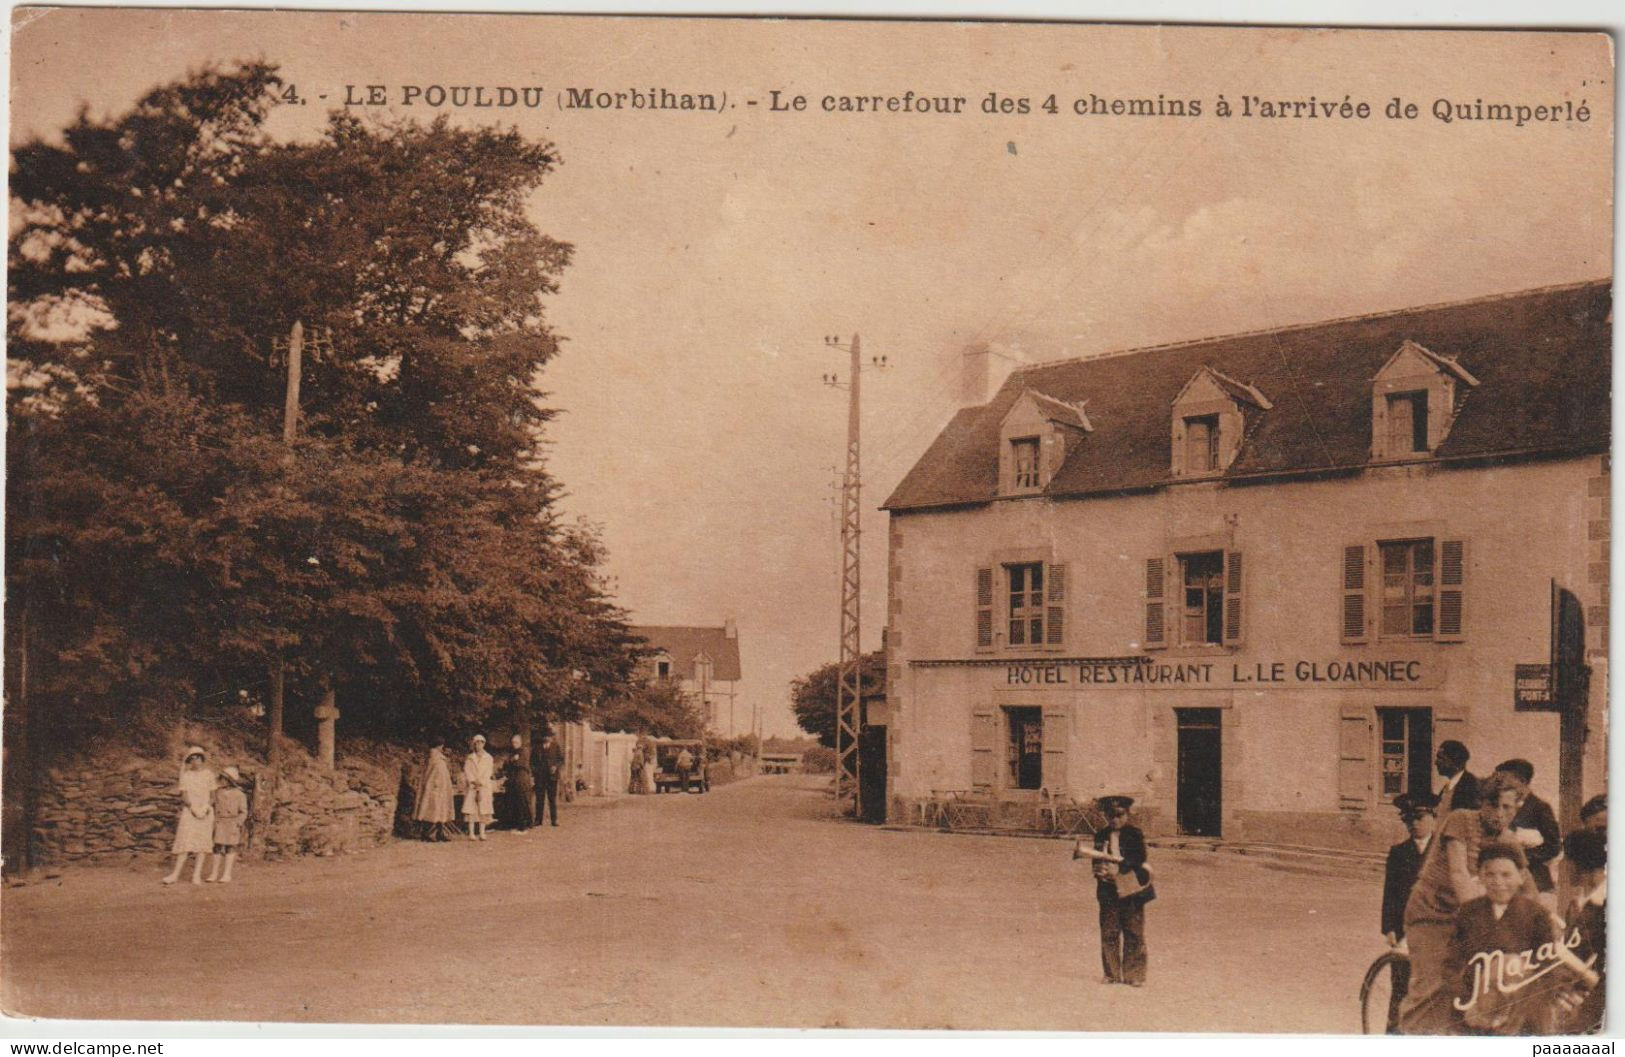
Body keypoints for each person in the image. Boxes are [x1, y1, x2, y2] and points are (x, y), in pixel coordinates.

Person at [1399, 771, 1532, 1034]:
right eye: (1492, 804)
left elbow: (1526, 885)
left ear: (1516, 809)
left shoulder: (1508, 840)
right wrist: (1483, 918)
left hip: (1464, 919)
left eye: (1507, 806)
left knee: (1489, 982)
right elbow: (1459, 873)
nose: (1499, 813)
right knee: (1432, 986)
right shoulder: (1459, 821)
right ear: (1481, 803)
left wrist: (1540, 918)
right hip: (1431, 913)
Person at [1448, 844, 1568, 1035]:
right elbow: (1453, 963)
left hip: (1520, 1008)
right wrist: (1463, 998)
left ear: (1520, 877)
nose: (1498, 882)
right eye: (1490, 875)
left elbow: (1548, 966)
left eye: (1506, 875)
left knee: (1512, 964)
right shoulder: (1469, 912)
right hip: (1474, 1004)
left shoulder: (1535, 914)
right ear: (1480, 877)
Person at [1377, 792, 1436, 1033]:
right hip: (1404, 932)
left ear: (1434, 817)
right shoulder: (1398, 853)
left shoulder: (1443, 851)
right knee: (1400, 987)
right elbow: (1390, 893)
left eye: (1420, 817)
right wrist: (1389, 927)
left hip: (1435, 931)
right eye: (1408, 819)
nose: (1414, 824)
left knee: (1432, 990)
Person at [1091, 795, 1153, 987]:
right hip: (1109, 890)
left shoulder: (1135, 834)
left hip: (1132, 888)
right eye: (1111, 816)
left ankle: (1134, 974)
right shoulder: (1101, 835)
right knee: (1109, 931)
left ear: (1127, 814)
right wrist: (1100, 871)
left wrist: (1120, 868)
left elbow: (1140, 858)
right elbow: (1096, 859)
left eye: (1119, 815)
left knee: (1133, 931)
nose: (1115, 820)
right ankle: (1111, 973)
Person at [1556, 828, 1606, 1034]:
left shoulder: (1602, 907)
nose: (1562, 866)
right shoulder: (1581, 904)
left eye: (1565, 859)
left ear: (1577, 863)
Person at [1494, 759, 1562, 900]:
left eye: (1506, 781)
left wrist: (1522, 856)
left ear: (1522, 781)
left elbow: (1554, 846)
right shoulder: (1499, 807)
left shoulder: (1540, 808)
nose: (1500, 785)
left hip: (1536, 880)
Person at [162, 746, 216, 885]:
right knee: (185, 842)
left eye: (197, 757)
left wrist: (205, 808)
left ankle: (196, 875)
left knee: (202, 844)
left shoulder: (209, 774)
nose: (195, 760)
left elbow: (213, 796)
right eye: (192, 758)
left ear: (202, 759)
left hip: (205, 812)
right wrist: (192, 808)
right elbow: (184, 796)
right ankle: (175, 874)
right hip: (190, 811)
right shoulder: (186, 775)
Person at [206, 765, 249, 884]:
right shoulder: (217, 792)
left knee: (230, 847)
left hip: (232, 822)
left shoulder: (240, 795)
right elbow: (212, 804)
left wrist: (238, 823)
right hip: (219, 821)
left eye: (224, 779)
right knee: (217, 847)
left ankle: (227, 874)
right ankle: (214, 873)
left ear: (230, 781)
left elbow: (243, 811)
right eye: (221, 778)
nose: (221, 781)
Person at [412, 737, 456, 841]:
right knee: (433, 810)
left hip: (438, 787)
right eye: (441, 745)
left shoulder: (436, 758)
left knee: (438, 809)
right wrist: (437, 784)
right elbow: (435, 774)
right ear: (439, 746)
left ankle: (440, 833)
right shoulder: (435, 758)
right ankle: (428, 834)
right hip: (435, 788)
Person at [462, 734, 495, 841]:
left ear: (484, 744)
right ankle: (471, 833)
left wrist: (481, 782)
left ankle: (482, 832)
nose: (478, 745)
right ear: (474, 744)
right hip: (472, 786)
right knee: (471, 810)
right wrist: (473, 781)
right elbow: (467, 770)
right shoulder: (470, 758)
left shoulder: (488, 757)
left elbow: (488, 772)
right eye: (476, 743)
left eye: (481, 743)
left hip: (484, 787)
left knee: (484, 810)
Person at [501, 734, 535, 833]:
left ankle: (524, 823)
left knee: (522, 801)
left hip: (522, 779)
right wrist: (511, 760)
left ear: (520, 742)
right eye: (513, 742)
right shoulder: (512, 752)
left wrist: (511, 761)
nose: (514, 744)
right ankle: (515, 823)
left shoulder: (524, 751)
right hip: (513, 779)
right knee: (514, 801)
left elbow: (520, 764)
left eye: (516, 742)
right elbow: (505, 764)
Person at [1435, 740, 1481, 810]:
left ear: (1454, 761)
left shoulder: (1469, 785)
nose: (1436, 762)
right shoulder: (1448, 786)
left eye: (1440, 758)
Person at [532, 733, 561, 826]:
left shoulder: (556, 746)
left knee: (552, 799)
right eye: (545, 736)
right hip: (540, 777)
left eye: (549, 736)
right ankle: (538, 820)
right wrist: (536, 772)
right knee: (539, 799)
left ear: (551, 738)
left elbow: (561, 760)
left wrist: (555, 767)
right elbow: (532, 762)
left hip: (552, 778)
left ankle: (554, 820)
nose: (547, 738)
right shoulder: (537, 747)